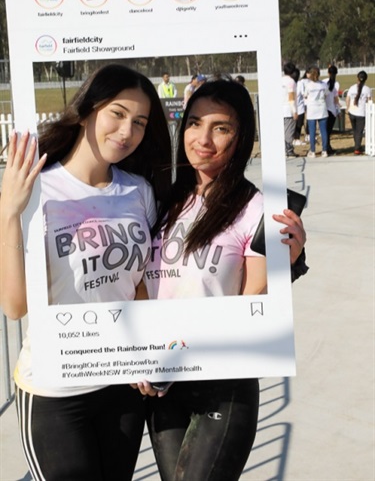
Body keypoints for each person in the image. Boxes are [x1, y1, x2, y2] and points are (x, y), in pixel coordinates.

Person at [0, 64, 172, 480]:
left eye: (140, 122)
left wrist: (145, 354)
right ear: (87, 110)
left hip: (121, 389)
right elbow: (14, 306)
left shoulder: (139, 191)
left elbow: (141, 290)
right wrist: (9, 211)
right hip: (55, 390)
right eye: (117, 113)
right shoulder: (35, 187)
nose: (127, 131)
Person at [134, 77, 308, 481]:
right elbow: (137, 285)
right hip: (163, 382)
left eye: (222, 128)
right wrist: (139, 355)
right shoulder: (157, 200)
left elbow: (254, 297)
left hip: (222, 381)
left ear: (242, 135)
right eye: (194, 123)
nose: (203, 139)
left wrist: (291, 261)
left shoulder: (258, 210)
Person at [304, 66, 329, 158]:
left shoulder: (308, 85)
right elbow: (326, 94)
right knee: (323, 131)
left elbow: (305, 96)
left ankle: (313, 151)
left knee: (312, 131)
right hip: (322, 108)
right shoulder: (323, 84)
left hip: (312, 109)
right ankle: (324, 151)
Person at [346, 70, 372, 154]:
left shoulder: (352, 87)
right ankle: (357, 148)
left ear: (357, 78)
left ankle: (357, 145)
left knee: (355, 130)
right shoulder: (367, 89)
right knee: (359, 131)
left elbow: (348, 99)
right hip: (361, 113)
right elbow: (369, 101)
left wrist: (348, 108)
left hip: (352, 112)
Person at [281, 61, 299, 158]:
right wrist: (294, 111)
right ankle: (289, 150)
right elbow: (291, 97)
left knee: (282, 131)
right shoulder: (291, 82)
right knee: (289, 132)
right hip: (288, 109)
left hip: (279, 109)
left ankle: (283, 149)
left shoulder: (279, 80)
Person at [323, 65, 340, 154]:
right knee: (328, 131)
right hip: (332, 110)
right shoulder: (336, 84)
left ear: (328, 72)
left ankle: (326, 147)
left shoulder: (323, 82)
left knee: (324, 131)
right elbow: (336, 99)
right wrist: (338, 109)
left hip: (323, 109)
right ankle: (327, 148)